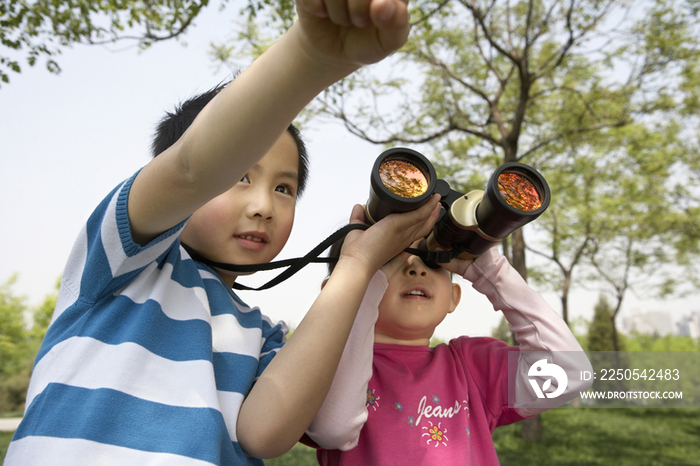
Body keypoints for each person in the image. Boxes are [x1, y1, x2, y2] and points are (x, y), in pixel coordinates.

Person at [3, 0, 444, 464]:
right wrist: (311, 58)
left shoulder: (265, 335)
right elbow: (192, 169)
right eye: (239, 176)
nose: (263, 206)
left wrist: (357, 267)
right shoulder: (123, 258)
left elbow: (265, 435)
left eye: (284, 188)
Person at [306, 236, 593, 465]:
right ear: (335, 291)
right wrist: (353, 295)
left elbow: (569, 373)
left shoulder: (471, 367)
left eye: (433, 261)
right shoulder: (325, 368)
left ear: (453, 298)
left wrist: (490, 270)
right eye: (389, 259)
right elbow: (332, 429)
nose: (416, 268)